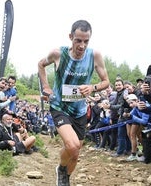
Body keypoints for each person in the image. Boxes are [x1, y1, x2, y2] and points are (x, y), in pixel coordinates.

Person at [38, 20, 109, 186]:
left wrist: (92, 87)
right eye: (78, 40)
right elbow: (41, 64)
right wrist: (46, 87)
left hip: (80, 111)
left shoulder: (94, 56)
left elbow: (106, 81)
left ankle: (65, 178)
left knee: (75, 153)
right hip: (59, 107)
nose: (82, 46)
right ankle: (61, 169)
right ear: (71, 37)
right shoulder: (58, 54)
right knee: (72, 145)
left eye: (86, 41)